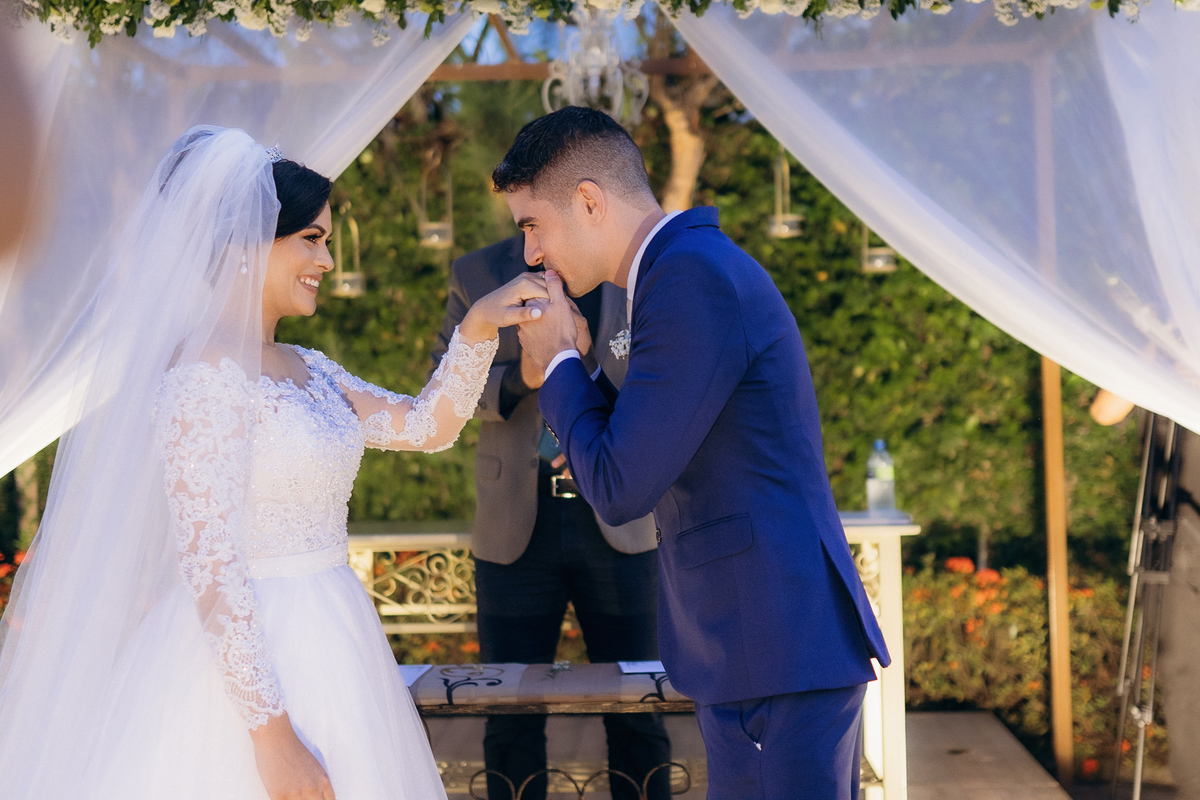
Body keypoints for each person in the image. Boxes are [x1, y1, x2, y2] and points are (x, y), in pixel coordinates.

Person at [0, 126, 547, 800]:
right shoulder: (200, 377)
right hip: (242, 674)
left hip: (337, 639)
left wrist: (478, 329)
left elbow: (427, 427)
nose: (325, 257)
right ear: (244, 244)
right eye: (310, 240)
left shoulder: (309, 368)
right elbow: (213, 568)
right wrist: (273, 737)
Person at [503, 107, 890, 799]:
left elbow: (621, 485)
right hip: (764, 646)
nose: (532, 253)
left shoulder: (688, 279)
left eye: (533, 224)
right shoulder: (682, 271)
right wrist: (584, 378)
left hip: (771, 646)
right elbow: (648, 447)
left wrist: (559, 359)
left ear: (589, 201)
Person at [433, 235, 670, 800]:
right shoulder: (475, 272)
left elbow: (662, 379)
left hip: (620, 519)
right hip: (515, 525)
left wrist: (595, 413)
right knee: (509, 712)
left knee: (638, 706)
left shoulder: (631, 266)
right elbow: (445, 387)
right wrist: (525, 379)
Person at [1090, 389, 1200, 800]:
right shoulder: (1162, 339)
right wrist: (1153, 346)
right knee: (1182, 668)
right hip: (1175, 532)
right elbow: (1105, 410)